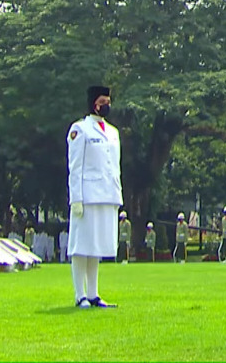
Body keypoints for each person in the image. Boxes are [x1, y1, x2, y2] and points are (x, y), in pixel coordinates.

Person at [66, 85, 122, 308]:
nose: (106, 106)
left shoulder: (113, 132)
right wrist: (76, 198)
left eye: (108, 102)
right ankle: (80, 294)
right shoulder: (80, 129)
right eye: (102, 102)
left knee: (96, 247)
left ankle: (93, 293)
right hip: (87, 195)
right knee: (82, 246)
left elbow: (114, 166)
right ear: (93, 104)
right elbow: (75, 167)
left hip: (107, 194)